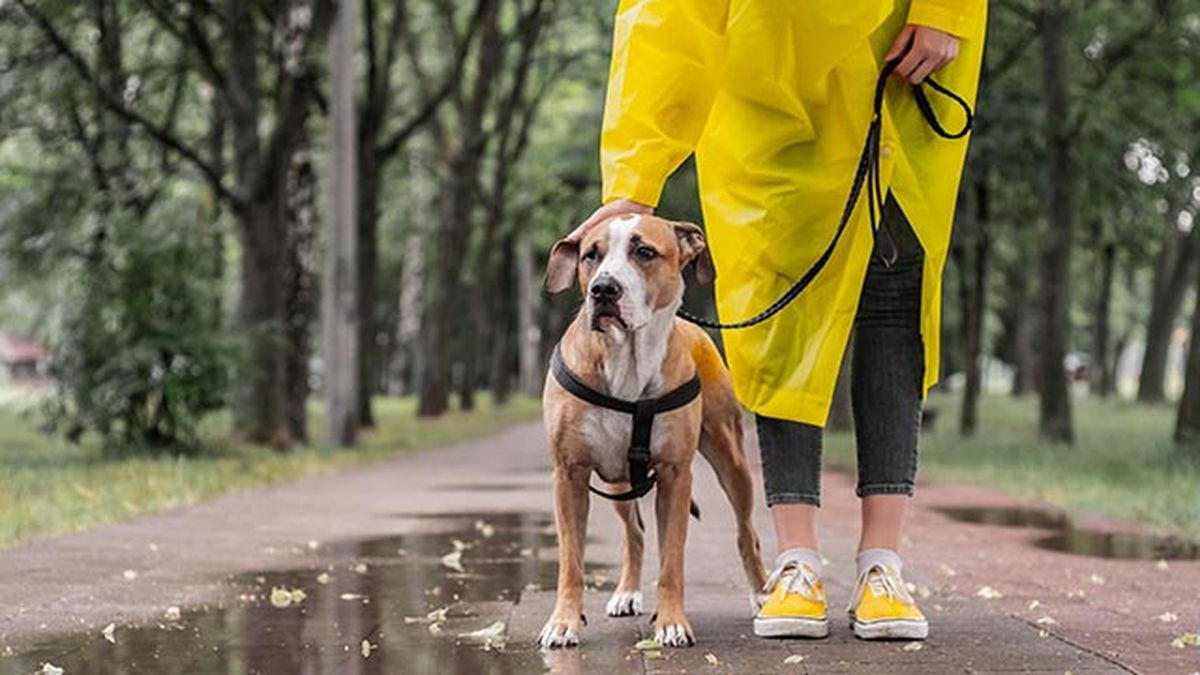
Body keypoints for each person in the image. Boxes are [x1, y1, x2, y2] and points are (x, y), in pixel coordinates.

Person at [567, 0, 986, 640]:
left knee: (893, 303)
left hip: (895, 58)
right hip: (764, 84)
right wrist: (634, 174)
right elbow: (662, 14)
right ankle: (796, 561)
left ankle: (883, 565)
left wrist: (947, 7)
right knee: (780, 319)